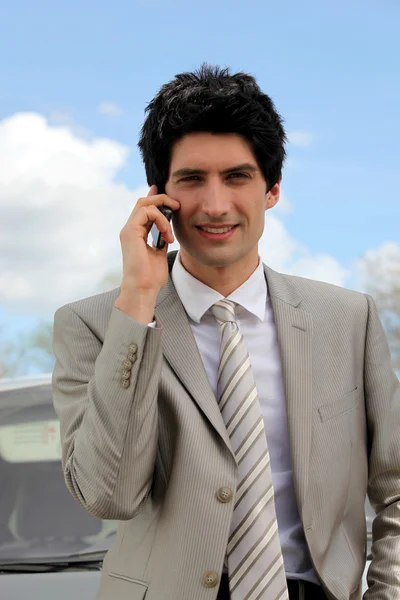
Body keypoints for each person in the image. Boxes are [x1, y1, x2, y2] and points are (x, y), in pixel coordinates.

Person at [51, 64, 400, 600]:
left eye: (237, 177)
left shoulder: (347, 318)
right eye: (192, 180)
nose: (215, 206)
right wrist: (138, 306)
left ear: (272, 190)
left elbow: (395, 485)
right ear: (159, 194)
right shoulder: (96, 325)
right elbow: (108, 495)